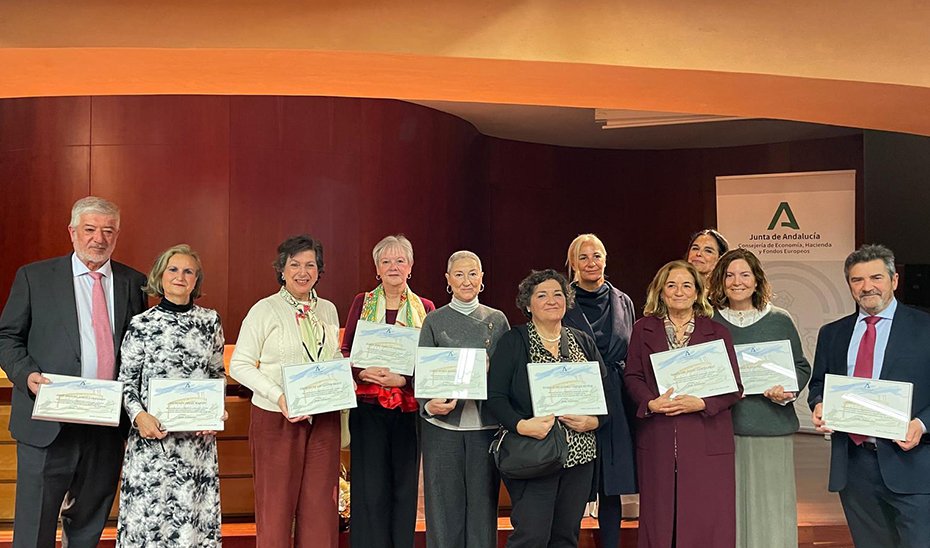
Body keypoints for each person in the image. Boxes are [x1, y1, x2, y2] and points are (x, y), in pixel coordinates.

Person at [0, 196, 147, 548]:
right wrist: (27, 376)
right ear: (72, 232)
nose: (98, 238)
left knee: (88, 525)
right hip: (48, 423)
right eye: (90, 229)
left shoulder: (134, 283)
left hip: (106, 428)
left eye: (107, 231)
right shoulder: (35, 277)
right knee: (35, 526)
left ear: (117, 235)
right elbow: (7, 337)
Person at [809, 244, 930, 548]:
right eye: (856, 280)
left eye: (876, 277)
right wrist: (819, 404)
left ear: (894, 280)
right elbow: (818, 384)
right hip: (855, 467)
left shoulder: (925, 328)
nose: (867, 287)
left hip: (913, 466)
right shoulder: (832, 333)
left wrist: (923, 424)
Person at [230, 235, 343, 547]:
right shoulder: (264, 310)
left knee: (322, 509)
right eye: (294, 265)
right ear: (281, 270)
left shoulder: (329, 310)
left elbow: (331, 358)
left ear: (320, 270)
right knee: (276, 512)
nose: (302, 271)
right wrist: (279, 396)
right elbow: (239, 364)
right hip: (276, 420)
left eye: (310, 264)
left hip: (323, 420)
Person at [623, 260, 742, 548]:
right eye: (671, 285)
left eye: (687, 285)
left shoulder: (717, 333)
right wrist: (651, 402)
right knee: (659, 519)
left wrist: (700, 402)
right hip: (659, 436)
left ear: (698, 291)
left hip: (705, 436)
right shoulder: (643, 329)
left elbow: (734, 388)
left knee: (706, 518)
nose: (679, 291)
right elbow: (632, 375)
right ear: (661, 292)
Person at [487, 269, 608, 548]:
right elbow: (495, 397)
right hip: (534, 455)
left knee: (566, 537)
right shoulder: (514, 341)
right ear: (528, 305)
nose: (552, 300)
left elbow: (605, 394)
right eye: (542, 295)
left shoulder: (582, 341)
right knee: (531, 536)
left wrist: (595, 421)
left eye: (558, 294)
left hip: (580, 457)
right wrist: (521, 425)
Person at [117, 244, 226, 547]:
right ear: (160, 277)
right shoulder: (142, 324)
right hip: (152, 443)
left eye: (188, 271)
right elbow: (126, 382)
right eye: (173, 270)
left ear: (196, 280)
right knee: (151, 524)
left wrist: (216, 411)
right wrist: (139, 416)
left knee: (191, 523)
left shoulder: (210, 322)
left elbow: (217, 375)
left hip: (196, 446)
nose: (180, 276)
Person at [708, 248, 811, 548]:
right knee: (728, 508)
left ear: (757, 279)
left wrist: (787, 391)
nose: (737, 282)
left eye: (745, 274)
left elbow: (800, 366)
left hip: (771, 427)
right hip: (723, 431)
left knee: (771, 509)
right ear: (720, 280)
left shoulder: (780, 319)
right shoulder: (710, 321)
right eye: (729, 275)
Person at [341, 234, 435, 548]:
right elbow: (345, 351)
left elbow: (430, 361)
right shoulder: (361, 302)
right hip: (368, 409)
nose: (393, 267)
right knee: (370, 488)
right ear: (377, 269)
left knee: (404, 487)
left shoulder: (425, 307)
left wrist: (405, 380)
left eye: (399, 260)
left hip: (408, 411)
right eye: (386, 261)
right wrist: (360, 371)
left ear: (410, 267)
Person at [418, 250, 510, 548]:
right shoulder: (434, 320)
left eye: (473, 273)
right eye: (459, 274)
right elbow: (423, 377)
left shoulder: (497, 320)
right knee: (443, 512)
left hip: (484, 429)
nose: (466, 280)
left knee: (483, 511)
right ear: (448, 280)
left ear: (482, 279)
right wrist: (428, 405)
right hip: (442, 429)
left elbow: (508, 376)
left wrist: (490, 372)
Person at [561, 234, 636, 548]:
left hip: (617, 399)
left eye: (597, 255)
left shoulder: (623, 300)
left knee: (610, 484)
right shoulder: (561, 300)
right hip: (577, 395)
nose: (591, 262)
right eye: (583, 257)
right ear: (573, 263)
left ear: (606, 259)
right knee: (575, 483)